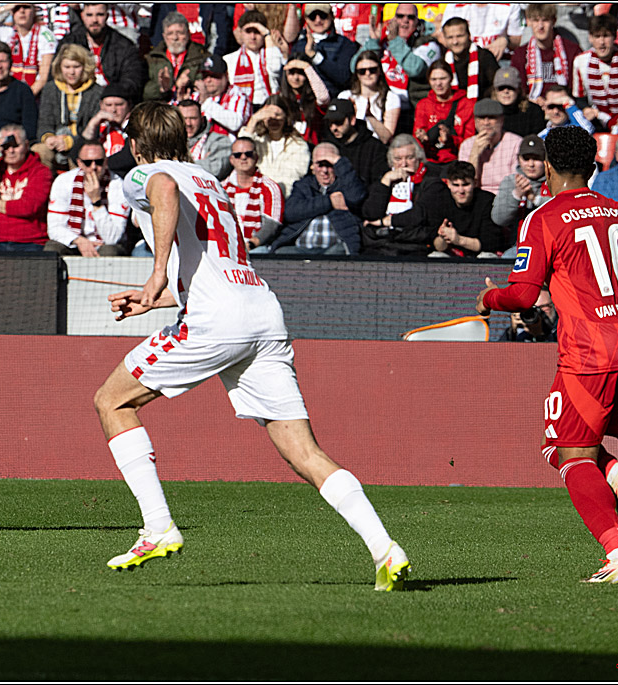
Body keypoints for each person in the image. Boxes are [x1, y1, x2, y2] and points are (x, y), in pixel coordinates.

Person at [95, 100, 410, 590]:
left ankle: (158, 527)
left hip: (217, 320)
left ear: (136, 144)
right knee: (304, 452)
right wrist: (155, 299)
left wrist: (155, 273)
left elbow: (162, 188)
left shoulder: (148, 172)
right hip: (260, 311)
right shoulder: (212, 179)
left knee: (111, 401)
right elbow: (211, 259)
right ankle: (385, 548)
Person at [476, 125, 618, 583]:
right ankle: (616, 472)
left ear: (547, 166)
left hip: (590, 353)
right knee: (568, 445)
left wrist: (489, 300)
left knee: (567, 453)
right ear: (593, 168)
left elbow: (523, 296)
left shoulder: (543, 218)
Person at [269, 143, 366, 255]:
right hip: (301, 248)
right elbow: (290, 212)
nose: (324, 170)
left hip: (334, 249)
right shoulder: (303, 185)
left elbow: (357, 197)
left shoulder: (347, 184)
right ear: (312, 166)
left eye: (329, 164)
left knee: (334, 256)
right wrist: (329, 201)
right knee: (280, 253)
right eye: (320, 164)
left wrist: (339, 161)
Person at [353, 3, 441, 117]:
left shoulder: (428, 43)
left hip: (412, 111)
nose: (405, 20)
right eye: (400, 16)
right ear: (394, 20)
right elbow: (353, 67)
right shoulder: (382, 41)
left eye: (410, 17)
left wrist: (395, 41)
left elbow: (415, 68)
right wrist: (373, 43)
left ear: (417, 21)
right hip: (382, 108)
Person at [359, 134, 440, 257]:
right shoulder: (384, 179)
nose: (403, 164)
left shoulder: (431, 182)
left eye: (409, 158)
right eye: (398, 159)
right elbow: (370, 214)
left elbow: (418, 216)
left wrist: (384, 222)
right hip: (381, 245)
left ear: (419, 158)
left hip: (414, 246)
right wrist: (385, 182)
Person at [0, 124, 52, 253]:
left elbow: (28, 207)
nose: (11, 151)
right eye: (6, 146)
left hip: (30, 241)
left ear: (26, 145)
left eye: (16, 146)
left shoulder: (41, 171)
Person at [45, 141, 130, 256]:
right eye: (88, 163)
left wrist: (96, 202)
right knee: (52, 248)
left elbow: (112, 238)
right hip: (75, 241)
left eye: (99, 162)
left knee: (109, 251)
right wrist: (79, 241)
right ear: (79, 163)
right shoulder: (63, 181)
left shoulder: (118, 185)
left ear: (105, 162)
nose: (94, 167)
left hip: (104, 245)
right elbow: (55, 228)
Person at [572, 14, 618, 133]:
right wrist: (587, 109)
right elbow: (579, 98)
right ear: (590, 38)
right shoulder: (580, 61)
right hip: (598, 121)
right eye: (597, 37)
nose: (602, 42)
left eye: (606, 36)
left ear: (614, 36)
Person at [0, 3, 56, 99]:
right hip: (9, 93)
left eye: (26, 7)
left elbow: (43, 78)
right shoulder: (7, 32)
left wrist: (24, 99)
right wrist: (5, 8)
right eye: (17, 8)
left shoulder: (45, 35)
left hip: (34, 97)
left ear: (33, 11)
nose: (22, 11)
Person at [57, 3, 146, 99]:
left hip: (112, 101)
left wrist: (109, 93)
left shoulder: (124, 45)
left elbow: (132, 81)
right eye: (89, 15)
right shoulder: (70, 43)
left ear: (107, 16)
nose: (94, 20)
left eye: (100, 14)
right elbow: (56, 76)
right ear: (82, 16)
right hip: (78, 99)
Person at [35, 44, 103, 169]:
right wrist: (48, 137)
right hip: (56, 140)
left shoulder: (96, 92)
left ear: (85, 67)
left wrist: (71, 142)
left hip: (82, 143)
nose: (71, 72)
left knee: (79, 154)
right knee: (39, 151)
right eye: (67, 67)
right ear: (60, 67)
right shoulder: (51, 89)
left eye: (76, 67)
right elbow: (44, 122)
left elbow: (94, 129)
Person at [424, 160, 505, 258]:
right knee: (435, 256)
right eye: (456, 185)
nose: (461, 191)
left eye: (465, 185)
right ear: (448, 184)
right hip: (450, 253)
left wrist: (458, 240)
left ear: (475, 183)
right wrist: (443, 237)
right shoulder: (439, 201)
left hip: (481, 254)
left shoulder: (487, 201)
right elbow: (436, 245)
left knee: (486, 256)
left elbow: (490, 244)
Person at [238, 95, 310, 197]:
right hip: (252, 195)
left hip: (282, 197)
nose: (273, 120)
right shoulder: (256, 140)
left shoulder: (298, 145)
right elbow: (240, 152)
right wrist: (253, 120)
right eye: (268, 116)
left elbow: (292, 178)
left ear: (286, 116)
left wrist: (269, 193)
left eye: (277, 115)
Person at [221, 137, 284, 252]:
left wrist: (250, 245)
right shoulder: (221, 188)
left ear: (256, 157)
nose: (243, 157)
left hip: (256, 247)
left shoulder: (270, 187)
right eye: (238, 155)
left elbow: (272, 225)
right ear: (231, 160)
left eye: (248, 154)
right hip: (226, 245)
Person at [510, 4, 579, 107]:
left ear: (554, 21)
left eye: (545, 20)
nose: (541, 26)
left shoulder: (571, 51)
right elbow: (519, 91)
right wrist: (531, 100)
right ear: (528, 22)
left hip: (564, 106)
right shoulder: (520, 54)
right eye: (536, 21)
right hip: (533, 108)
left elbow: (576, 89)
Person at [492, 134, 549, 252]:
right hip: (518, 246)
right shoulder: (510, 181)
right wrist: (516, 195)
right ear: (519, 159)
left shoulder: (554, 181)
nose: (531, 164)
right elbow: (499, 219)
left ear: (545, 160)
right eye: (526, 158)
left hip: (548, 244)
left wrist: (535, 199)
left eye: (536, 158)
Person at [413, 59, 475, 164]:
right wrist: (423, 139)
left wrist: (450, 140)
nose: (438, 83)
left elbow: (470, 142)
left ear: (451, 79)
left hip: (457, 160)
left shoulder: (466, 105)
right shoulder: (423, 105)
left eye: (443, 78)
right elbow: (416, 141)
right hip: (430, 160)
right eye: (434, 79)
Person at [319, 98, 390, 189]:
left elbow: (378, 184)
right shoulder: (327, 146)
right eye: (330, 123)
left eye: (338, 122)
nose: (333, 128)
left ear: (352, 120)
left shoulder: (374, 147)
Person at [224, 10, 287, 110]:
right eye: (248, 32)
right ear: (240, 33)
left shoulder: (271, 53)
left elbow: (275, 69)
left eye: (257, 32)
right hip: (241, 109)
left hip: (270, 105)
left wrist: (267, 35)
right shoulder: (229, 59)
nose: (253, 37)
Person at [458, 98, 522, 195]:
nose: (486, 123)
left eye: (491, 118)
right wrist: (475, 153)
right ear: (475, 121)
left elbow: (516, 183)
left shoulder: (516, 142)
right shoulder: (467, 145)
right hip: (476, 196)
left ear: (501, 120)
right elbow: (464, 184)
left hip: (505, 195)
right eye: (481, 118)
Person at [291, 3, 358, 94]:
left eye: (323, 15)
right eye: (312, 16)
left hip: (334, 100)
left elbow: (345, 77)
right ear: (306, 19)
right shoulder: (299, 45)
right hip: (305, 101)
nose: (318, 20)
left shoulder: (345, 44)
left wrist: (315, 57)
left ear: (331, 16)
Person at [143, 11, 209, 103]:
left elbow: (208, 84)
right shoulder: (152, 59)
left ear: (188, 34)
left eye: (180, 33)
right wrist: (163, 88)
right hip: (163, 109)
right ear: (164, 36)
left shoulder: (201, 56)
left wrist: (189, 81)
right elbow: (144, 93)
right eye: (170, 33)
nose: (175, 38)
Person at [440, 17, 499, 102]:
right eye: (450, 37)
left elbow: (495, 87)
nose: (455, 42)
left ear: (469, 35)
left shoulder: (484, 57)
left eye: (459, 36)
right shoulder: (443, 62)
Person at [439, 3, 523, 61]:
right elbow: (442, 36)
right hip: (464, 58)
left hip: (500, 59)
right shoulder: (455, 5)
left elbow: (517, 39)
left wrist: (505, 40)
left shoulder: (509, 5)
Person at [278, 52, 330, 145]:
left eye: (301, 73)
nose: (296, 78)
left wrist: (307, 67)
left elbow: (323, 97)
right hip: (288, 148)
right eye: (292, 73)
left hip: (313, 147)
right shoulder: (279, 98)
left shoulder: (314, 97)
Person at [177, 99, 232, 181]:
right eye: (184, 119)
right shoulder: (168, 142)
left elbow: (215, 169)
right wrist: (201, 163)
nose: (188, 123)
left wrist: (177, 165)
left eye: (193, 118)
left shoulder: (219, 140)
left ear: (202, 120)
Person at [492, 66, 545, 138]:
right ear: (495, 91)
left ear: (518, 89)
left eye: (511, 87)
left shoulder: (533, 111)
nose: (506, 91)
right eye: (501, 88)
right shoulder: (489, 113)